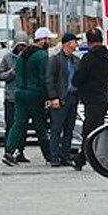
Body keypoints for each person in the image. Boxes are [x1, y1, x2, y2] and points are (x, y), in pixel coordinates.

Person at [2, 28, 52, 167]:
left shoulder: (24, 54)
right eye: (47, 39)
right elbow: (44, 78)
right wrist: (49, 97)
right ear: (42, 40)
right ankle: (49, 155)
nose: (49, 42)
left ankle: (9, 152)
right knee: (40, 126)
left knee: (18, 124)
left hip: (19, 93)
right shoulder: (42, 55)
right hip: (34, 94)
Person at [72, 29, 108, 170]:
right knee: (97, 125)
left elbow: (79, 78)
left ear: (89, 42)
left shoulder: (89, 58)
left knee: (90, 128)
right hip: (104, 96)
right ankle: (90, 156)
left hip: (91, 98)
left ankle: (83, 157)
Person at [45, 32, 81, 167]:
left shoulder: (76, 60)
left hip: (73, 97)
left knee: (69, 128)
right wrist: (53, 97)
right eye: (74, 42)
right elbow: (50, 79)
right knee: (56, 128)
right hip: (60, 99)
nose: (76, 44)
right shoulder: (55, 59)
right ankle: (54, 156)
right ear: (67, 44)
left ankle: (65, 156)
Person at [0, 32, 28, 162]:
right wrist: (11, 72)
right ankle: (9, 150)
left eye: (23, 46)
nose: (20, 49)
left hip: (25, 97)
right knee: (11, 125)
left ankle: (21, 151)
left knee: (23, 126)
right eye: (19, 46)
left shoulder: (28, 58)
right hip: (11, 98)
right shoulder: (7, 58)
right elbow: (0, 75)